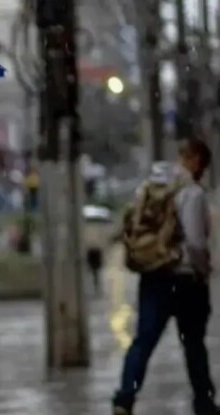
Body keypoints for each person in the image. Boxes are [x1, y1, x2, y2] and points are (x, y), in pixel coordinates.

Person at [113, 139, 217, 415]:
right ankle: (204, 403)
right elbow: (195, 242)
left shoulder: (149, 186)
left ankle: (124, 399)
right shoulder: (191, 192)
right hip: (185, 279)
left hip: (154, 276)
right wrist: (204, 271)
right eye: (203, 165)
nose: (202, 171)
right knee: (193, 344)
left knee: (143, 342)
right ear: (196, 160)